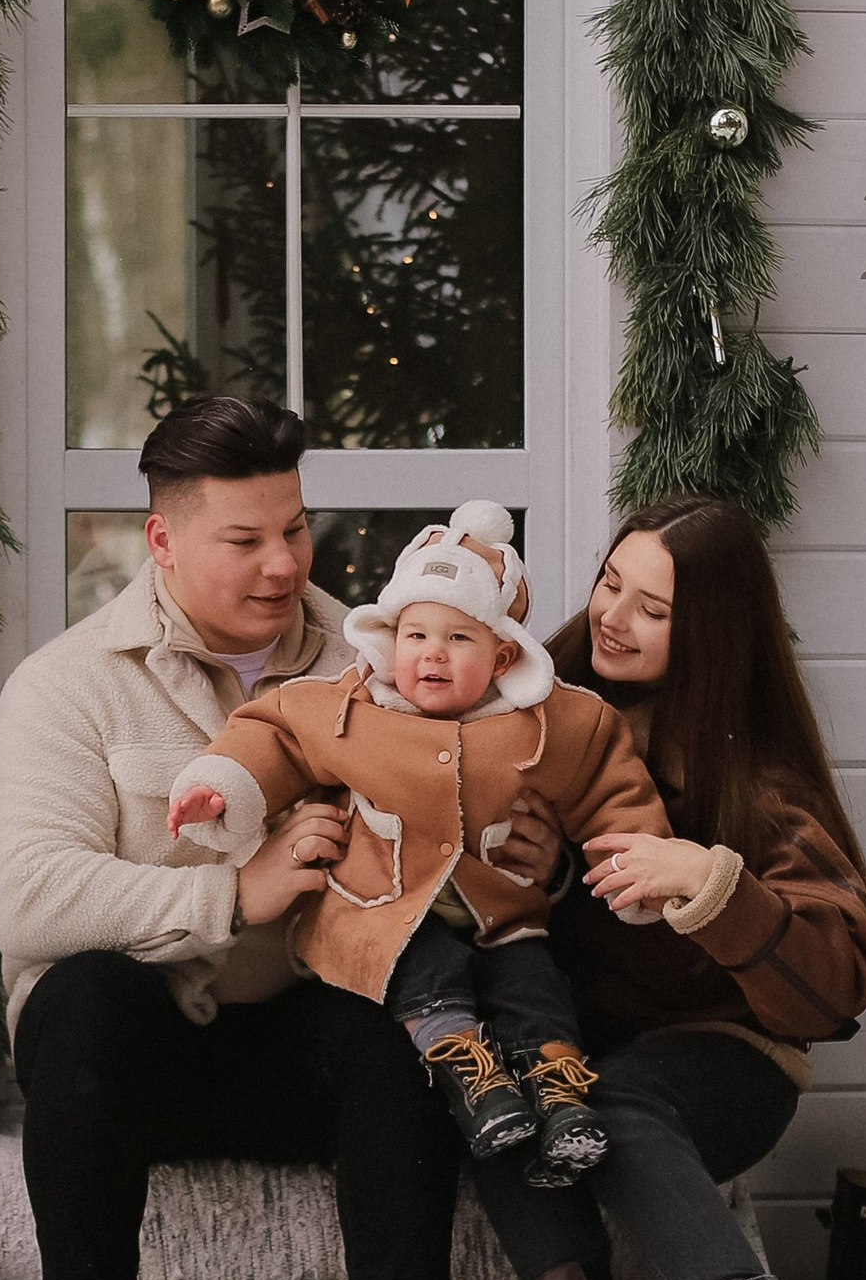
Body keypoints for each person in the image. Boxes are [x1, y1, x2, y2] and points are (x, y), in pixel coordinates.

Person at [0, 397, 476, 1280]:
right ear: (161, 540)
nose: (280, 564)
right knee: (84, 993)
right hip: (132, 1063)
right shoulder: (68, 684)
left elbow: (456, 824)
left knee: (399, 1011)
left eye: (293, 531)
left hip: (301, 1042)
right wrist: (227, 893)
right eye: (243, 540)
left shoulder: (378, 668)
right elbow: (26, 895)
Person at [471, 495, 866, 1280]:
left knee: (610, 1099)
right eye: (612, 582)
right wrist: (543, 872)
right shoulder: (533, 701)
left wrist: (710, 882)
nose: (614, 614)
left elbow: (837, 973)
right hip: (567, 1038)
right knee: (499, 1086)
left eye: (651, 607)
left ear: (708, 628)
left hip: (727, 1054)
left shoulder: (756, 769)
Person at [166, 502, 671, 1186]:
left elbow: (610, 785)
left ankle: (559, 1096)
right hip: (386, 911)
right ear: (387, 640)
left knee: (533, 985)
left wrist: (637, 865)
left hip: (503, 915)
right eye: (416, 634)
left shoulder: (548, 723)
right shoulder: (352, 709)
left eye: (459, 639)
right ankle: (473, 1080)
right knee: (425, 969)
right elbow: (276, 734)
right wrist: (223, 788)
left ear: (502, 654)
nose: (432, 653)